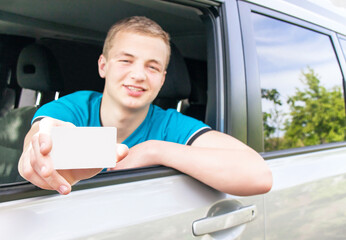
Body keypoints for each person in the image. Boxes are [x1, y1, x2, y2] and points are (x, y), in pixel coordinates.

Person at [18, 16, 272, 196]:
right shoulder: (78, 106)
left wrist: (154, 150)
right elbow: (43, 137)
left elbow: (258, 174)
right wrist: (38, 149)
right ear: (103, 66)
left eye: (152, 67)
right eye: (126, 60)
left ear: (162, 79)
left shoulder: (170, 125)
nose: (138, 75)